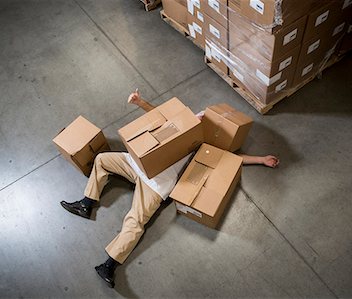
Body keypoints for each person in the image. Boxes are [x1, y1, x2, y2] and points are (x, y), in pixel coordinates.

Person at [60, 91, 279, 288]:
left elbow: (230, 159)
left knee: (135, 221)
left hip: (156, 185)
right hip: (136, 163)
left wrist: (261, 159)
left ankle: (109, 265)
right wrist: (139, 101)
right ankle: (86, 204)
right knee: (102, 160)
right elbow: (159, 114)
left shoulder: (210, 146)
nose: (200, 118)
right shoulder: (186, 122)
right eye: (201, 116)